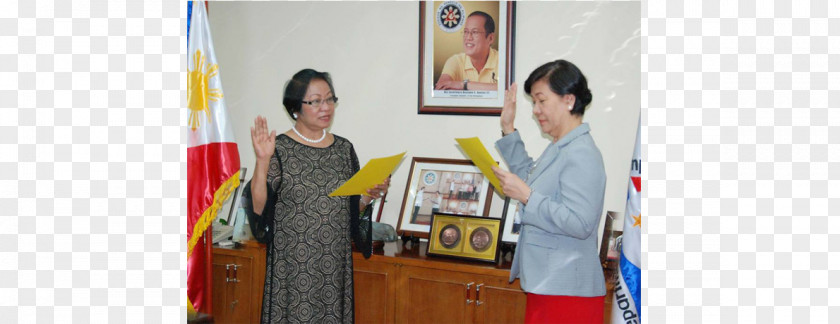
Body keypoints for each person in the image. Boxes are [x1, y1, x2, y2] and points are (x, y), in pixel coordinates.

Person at [241, 68, 390, 323]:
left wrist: (367, 196)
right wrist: (262, 161)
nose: (326, 107)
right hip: (293, 268)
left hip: (334, 266)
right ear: (295, 108)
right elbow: (258, 208)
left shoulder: (344, 149)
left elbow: (351, 210)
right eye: (316, 101)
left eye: (330, 99)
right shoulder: (280, 149)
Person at [491, 60, 606, 323]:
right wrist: (508, 129)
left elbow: (580, 223)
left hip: (567, 293)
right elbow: (531, 178)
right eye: (533, 102)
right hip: (548, 284)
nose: (535, 110)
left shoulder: (582, 152)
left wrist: (527, 197)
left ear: (568, 100)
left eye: (541, 101)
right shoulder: (560, 146)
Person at [434, 11, 499, 91]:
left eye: (475, 32)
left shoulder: (502, 61)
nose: (468, 37)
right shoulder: (456, 61)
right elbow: (441, 88)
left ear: (490, 38)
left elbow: (506, 89)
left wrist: (463, 85)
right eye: (466, 32)